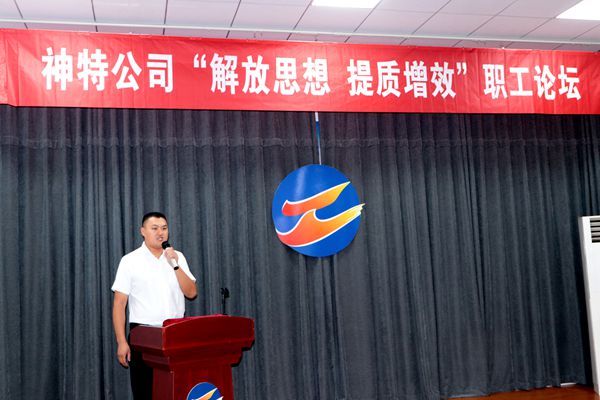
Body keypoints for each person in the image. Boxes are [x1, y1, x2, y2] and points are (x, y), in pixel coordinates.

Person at [111, 211, 197, 400]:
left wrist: (175, 265)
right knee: (146, 391)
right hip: (144, 335)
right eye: (155, 228)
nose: (160, 233)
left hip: (176, 332)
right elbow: (119, 304)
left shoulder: (177, 257)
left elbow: (191, 292)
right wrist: (121, 341)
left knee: (176, 390)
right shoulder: (130, 261)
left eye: (164, 228)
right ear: (143, 231)